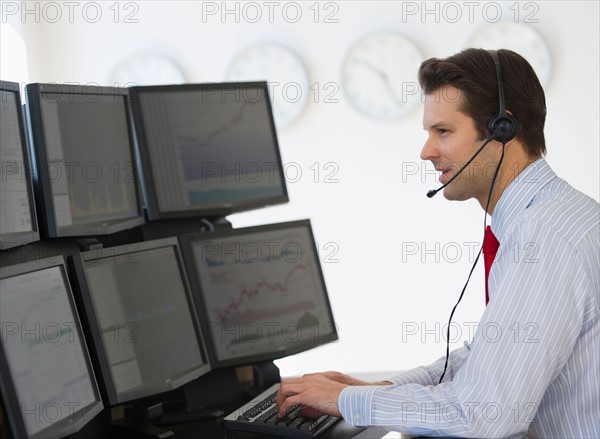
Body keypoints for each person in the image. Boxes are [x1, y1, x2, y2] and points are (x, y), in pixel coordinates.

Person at [275, 48, 599, 438]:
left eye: (443, 132)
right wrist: (378, 392)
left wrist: (344, 402)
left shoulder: (545, 242)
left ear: (502, 130)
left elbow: (484, 414)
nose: (426, 152)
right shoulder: (553, 215)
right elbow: (486, 357)